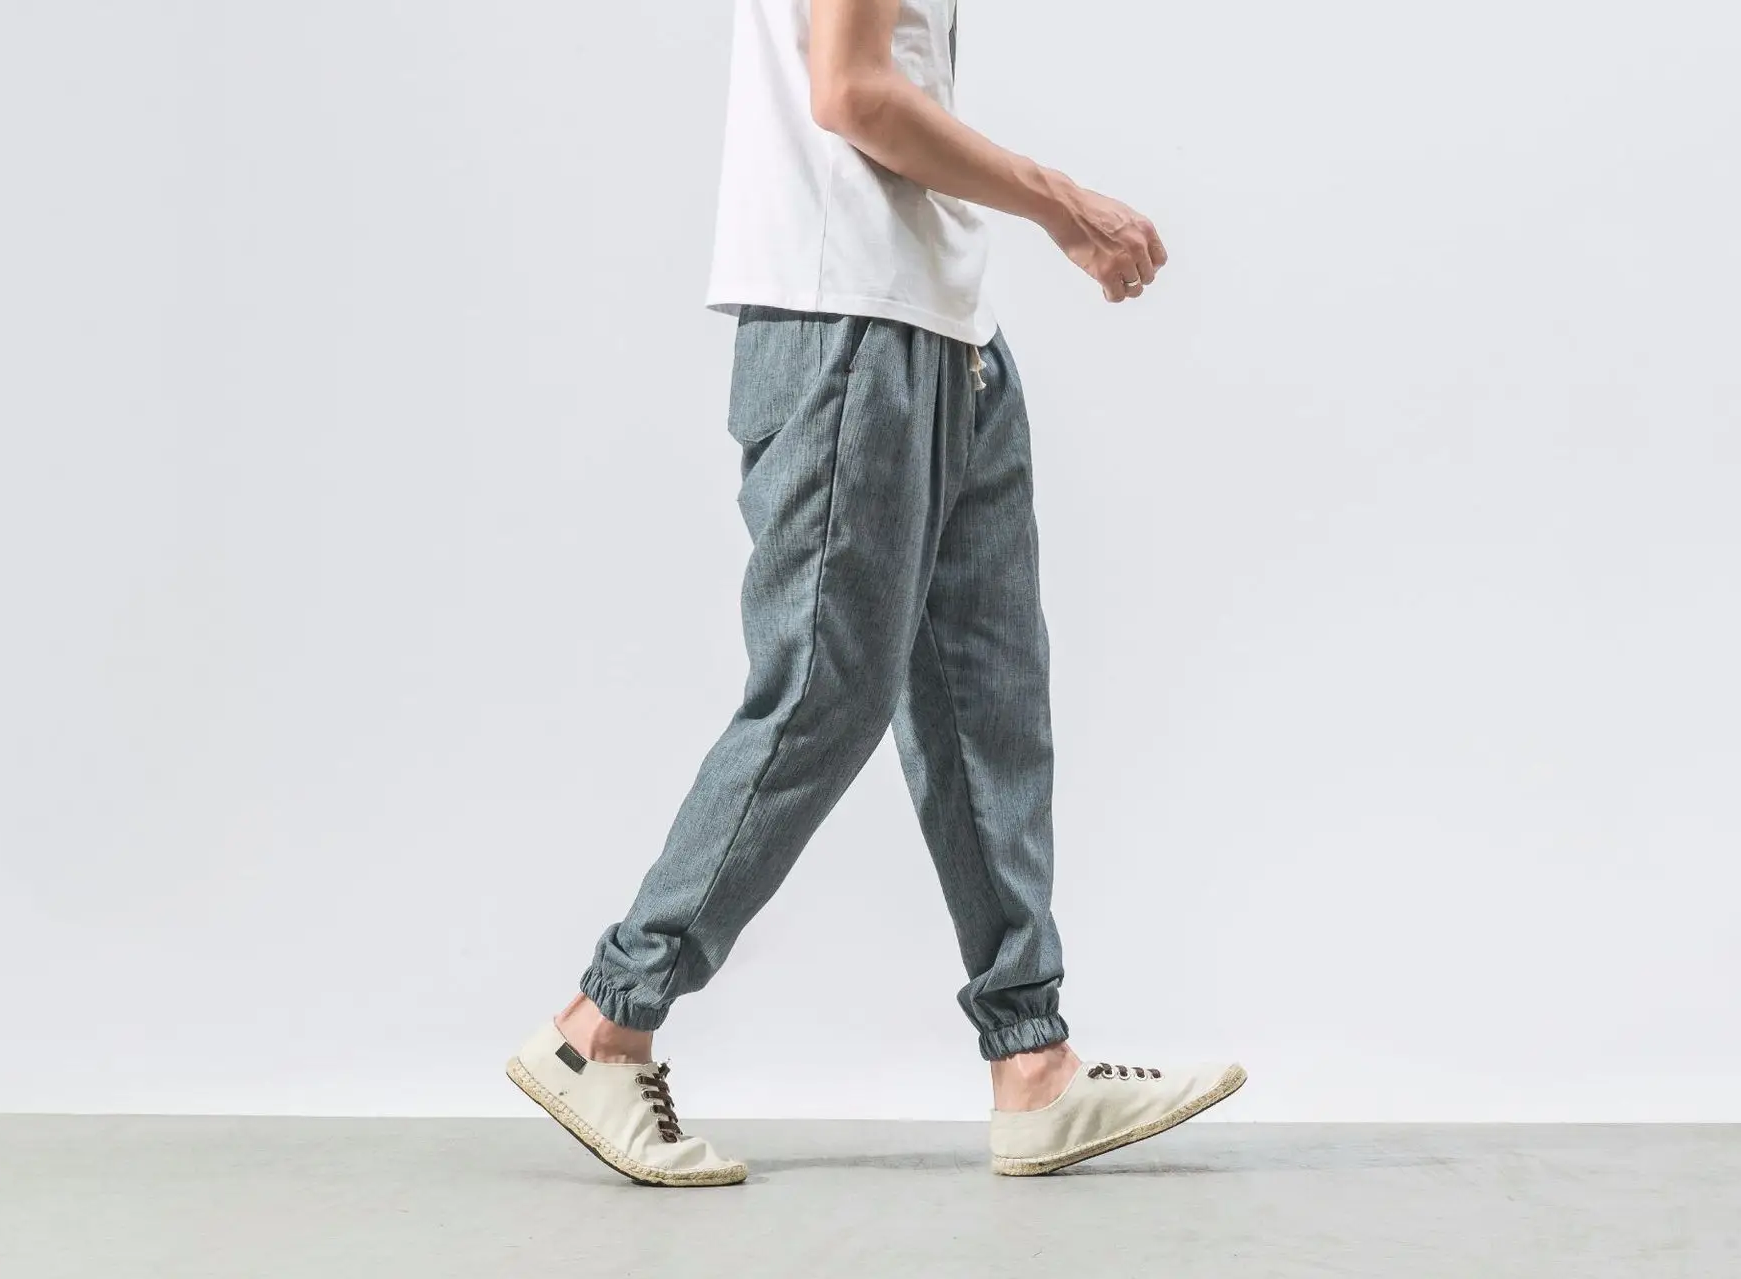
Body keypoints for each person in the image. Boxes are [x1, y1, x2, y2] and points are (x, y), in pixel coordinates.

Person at [507, 0, 1244, 1186]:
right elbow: (851, 92)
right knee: (822, 691)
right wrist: (1064, 205)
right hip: (847, 328)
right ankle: (604, 1021)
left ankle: (1033, 1062)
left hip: (943, 329)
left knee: (990, 702)